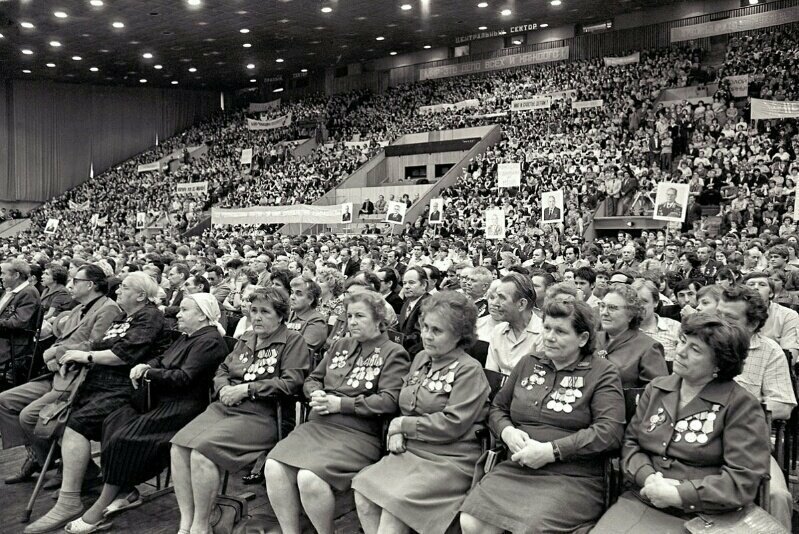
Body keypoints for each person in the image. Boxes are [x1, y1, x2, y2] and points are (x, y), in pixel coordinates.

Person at [64, 294, 229, 533]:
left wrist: (149, 373)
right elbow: (163, 358)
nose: (178, 314)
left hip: (185, 407)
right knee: (114, 420)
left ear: (202, 315)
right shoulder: (187, 336)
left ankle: (100, 507)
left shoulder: (209, 341)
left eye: (184, 310)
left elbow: (183, 378)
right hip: (164, 399)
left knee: (125, 438)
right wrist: (147, 365)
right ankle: (124, 489)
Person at [592, 314, 771, 533]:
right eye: (683, 341)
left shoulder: (741, 405)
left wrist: (679, 494)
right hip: (644, 499)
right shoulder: (657, 388)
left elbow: (742, 479)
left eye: (695, 350)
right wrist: (648, 478)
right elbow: (631, 443)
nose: (680, 351)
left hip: (707, 514)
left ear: (720, 363)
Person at [460, 299, 625, 533]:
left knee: (530, 528)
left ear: (583, 339)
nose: (549, 336)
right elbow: (498, 408)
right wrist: (507, 432)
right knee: (471, 521)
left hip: (571, 475)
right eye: (546, 328)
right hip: (518, 466)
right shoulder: (529, 362)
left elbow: (609, 432)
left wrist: (552, 451)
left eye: (560, 331)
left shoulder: (602, 372)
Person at [25, 272, 165, 534]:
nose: (118, 291)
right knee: (56, 417)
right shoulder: (125, 316)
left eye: (124, 288)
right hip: (99, 383)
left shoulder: (150, 316)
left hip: (127, 388)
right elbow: (102, 342)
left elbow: (124, 355)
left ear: (141, 295)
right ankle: (87, 480)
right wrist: (72, 357)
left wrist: (84, 356)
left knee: (75, 424)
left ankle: (69, 500)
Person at [265, 291, 410, 534]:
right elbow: (313, 378)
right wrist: (315, 393)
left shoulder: (393, 352)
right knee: (273, 466)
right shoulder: (341, 345)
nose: (352, 322)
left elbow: (388, 401)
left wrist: (340, 405)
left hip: (358, 433)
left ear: (379, 320)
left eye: (360, 316)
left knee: (309, 478)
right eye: (349, 316)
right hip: (319, 426)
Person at [169, 287, 309, 534]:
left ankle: (201, 526)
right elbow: (223, 369)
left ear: (280, 316)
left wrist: (247, 389)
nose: (256, 317)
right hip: (226, 406)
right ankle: (185, 522)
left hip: (264, 414)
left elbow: (291, 383)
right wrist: (223, 387)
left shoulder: (292, 340)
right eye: (253, 310)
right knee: (178, 447)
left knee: (202, 453)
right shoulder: (246, 338)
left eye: (265, 312)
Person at [353, 291, 491, 534]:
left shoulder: (469, 370)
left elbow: (453, 424)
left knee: (394, 507)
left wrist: (402, 426)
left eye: (437, 331)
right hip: (412, 449)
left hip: (450, 457)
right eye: (425, 326)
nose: (427, 335)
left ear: (460, 335)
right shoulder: (420, 358)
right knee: (363, 491)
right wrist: (398, 428)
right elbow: (405, 403)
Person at [0, 265, 122, 485]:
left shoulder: (108, 309)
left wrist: (56, 354)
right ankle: (40, 455)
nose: (71, 285)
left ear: (90, 285)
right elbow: (59, 334)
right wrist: (55, 351)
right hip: (55, 373)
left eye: (75, 281)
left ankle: (72, 465)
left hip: (76, 376)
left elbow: (95, 345)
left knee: (28, 416)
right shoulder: (79, 308)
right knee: (5, 401)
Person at [595, 285, 668, 387]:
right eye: (602, 306)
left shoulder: (649, 348)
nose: (604, 312)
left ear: (630, 314)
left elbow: (655, 392)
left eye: (612, 308)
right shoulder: (592, 339)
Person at [486, 273, 543, 374]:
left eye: (502, 298)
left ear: (521, 304)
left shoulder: (543, 334)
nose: (494, 303)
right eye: (494, 297)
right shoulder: (498, 331)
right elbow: (491, 375)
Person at [0, 259, 42, 368]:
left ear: (16, 275)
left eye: (3, 273)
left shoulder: (29, 293)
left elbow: (18, 322)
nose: (1, 277)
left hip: (12, 343)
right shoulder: (10, 290)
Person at [633, 279, 681, 362]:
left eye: (644, 301)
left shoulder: (674, 327)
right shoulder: (623, 328)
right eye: (634, 301)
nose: (639, 306)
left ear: (656, 302)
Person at [396, 267, 430, 355]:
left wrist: (395, 340)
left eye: (411, 283)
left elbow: (419, 337)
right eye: (404, 283)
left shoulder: (429, 305)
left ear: (424, 285)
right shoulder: (407, 303)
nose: (406, 287)